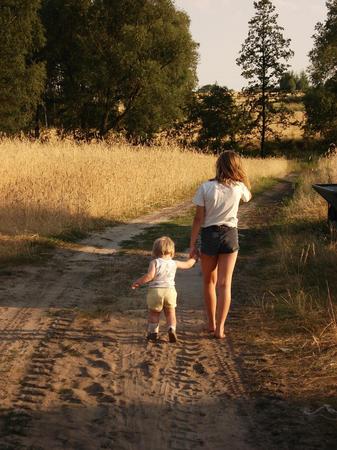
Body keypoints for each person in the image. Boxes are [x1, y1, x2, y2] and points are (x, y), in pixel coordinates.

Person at [189, 150, 252, 339]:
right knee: (225, 284)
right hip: (230, 235)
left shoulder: (206, 187)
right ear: (237, 167)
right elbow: (248, 196)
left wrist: (193, 244)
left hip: (210, 234)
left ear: (218, 165)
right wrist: (242, 177)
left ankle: (211, 324)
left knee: (209, 281)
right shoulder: (239, 187)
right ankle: (220, 329)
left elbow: (198, 218)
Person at [131, 236, 197, 342]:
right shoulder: (174, 263)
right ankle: (171, 328)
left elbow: (150, 276)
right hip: (170, 291)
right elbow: (188, 264)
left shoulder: (155, 262)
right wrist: (194, 258)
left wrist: (138, 282)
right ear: (172, 251)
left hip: (156, 291)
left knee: (154, 313)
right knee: (171, 313)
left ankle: (153, 333)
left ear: (155, 251)